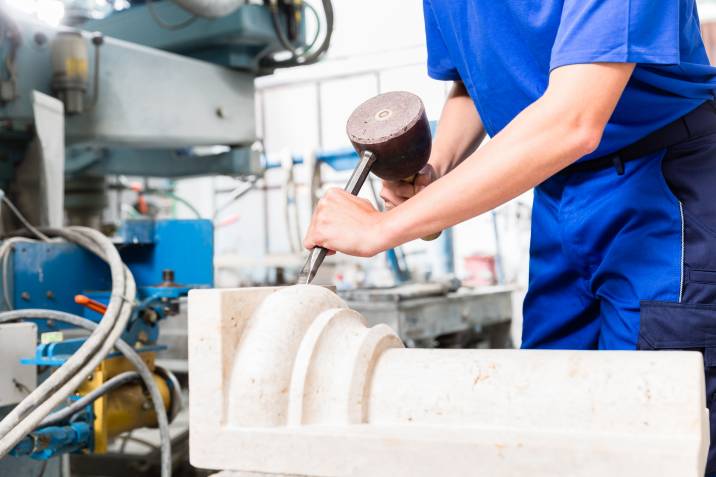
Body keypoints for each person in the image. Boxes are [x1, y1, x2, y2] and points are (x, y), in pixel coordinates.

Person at [303, 1, 716, 473]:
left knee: (656, 431)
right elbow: (474, 82)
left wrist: (386, 227)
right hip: (559, 194)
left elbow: (574, 121)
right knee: (547, 417)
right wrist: (436, 168)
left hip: (661, 186)